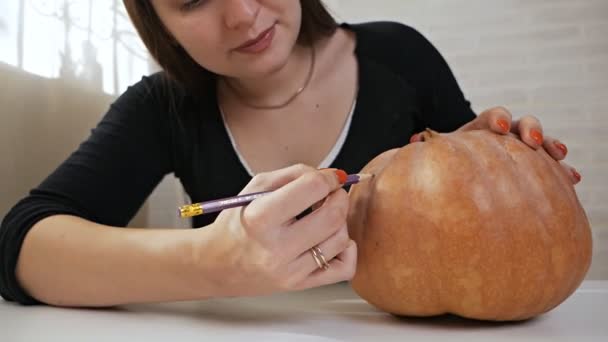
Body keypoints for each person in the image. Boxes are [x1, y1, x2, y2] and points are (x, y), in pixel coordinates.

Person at [0, 0, 580, 307]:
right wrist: (214, 261)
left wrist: (498, 161)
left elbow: (488, 213)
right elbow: (19, 245)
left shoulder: (400, 56)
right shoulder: (162, 107)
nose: (242, 13)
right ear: (159, 24)